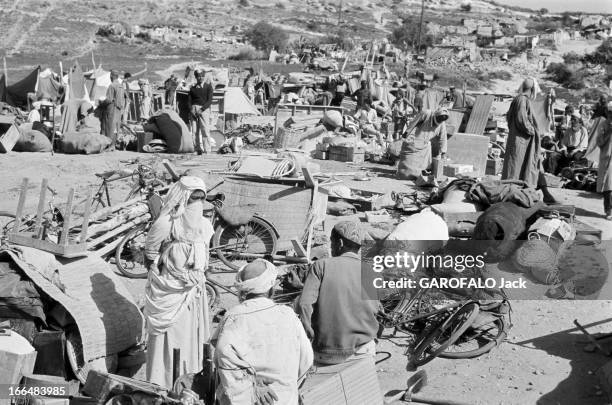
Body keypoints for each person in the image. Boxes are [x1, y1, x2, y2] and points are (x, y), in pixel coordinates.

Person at [143, 176, 214, 388]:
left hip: (192, 296)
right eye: (194, 198)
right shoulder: (167, 223)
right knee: (168, 339)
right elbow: (150, 252)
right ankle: (161, 385)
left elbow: (205, 260)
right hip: (168, 295)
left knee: (190, 340)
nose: (198, 204)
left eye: (202, 198)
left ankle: (188, 384)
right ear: (183, 198)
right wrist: (166, 275)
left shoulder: (205, 226)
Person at [213, 259, 313, 405]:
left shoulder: (233, 317)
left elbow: (223, 357)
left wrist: (250, 384)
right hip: (285, 398)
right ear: (271, 290)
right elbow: (306, 360)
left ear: (243, 292)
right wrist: (285, 386)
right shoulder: (288, 315)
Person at [298, 221, 378, 365]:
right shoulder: (369, 270)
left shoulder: (321, 266)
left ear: (339, 243)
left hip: (326, 353)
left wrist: (310, 336)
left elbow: (305, 305)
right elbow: (374, 309)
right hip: (363, 349)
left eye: (331, 242)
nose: (331, 246)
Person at [502, 77, 557, 204]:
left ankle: (536, 194)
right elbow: (522, 120)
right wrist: (533, 131)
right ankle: (513, 196)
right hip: (521, 142)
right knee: (516, 168)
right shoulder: (522, 100)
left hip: (522, 141)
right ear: (532, 89)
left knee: (529, 166)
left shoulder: (519, 99)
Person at [586, 102, 612, 220]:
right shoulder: (603, 124)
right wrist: (608, 132)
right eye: (610, 112)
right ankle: (609, 210)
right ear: (607, 113)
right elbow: (599, 142)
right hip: (606, 159)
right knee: (608, 186)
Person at [401, 107, 449, 171]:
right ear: (435, 115)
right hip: (416, 139)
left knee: (424, 160)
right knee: (412, 160)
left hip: (426, 142)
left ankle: (422, 170)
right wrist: (406, 133)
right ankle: (410, 170)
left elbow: (443, 138)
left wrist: (443, 152)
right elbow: (414, 122)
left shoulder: (442, 123)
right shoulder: (426, 113)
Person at [100, 70, 127, 150]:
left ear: (111, 76)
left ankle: (109, 145)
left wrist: (102, 103)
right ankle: (113, 146)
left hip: (111, 108)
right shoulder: (121, 86)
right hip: (119, 109)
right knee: (116, 128)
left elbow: (109, 99)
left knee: (109, 127)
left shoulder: (112, 86)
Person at [189, 70, 214, 155]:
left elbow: (209, 101)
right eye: (199, 76)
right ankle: (197, 149)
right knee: (194, 131)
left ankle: (207, 150)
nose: (200, 78)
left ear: (204, 76)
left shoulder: (208, 87)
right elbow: (189, 101)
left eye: (202, 76)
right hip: (194, 110)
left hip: (204, 110)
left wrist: (202, 109)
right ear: (196, 77)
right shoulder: (192, 88)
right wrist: (191, 109)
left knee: (205, 130)